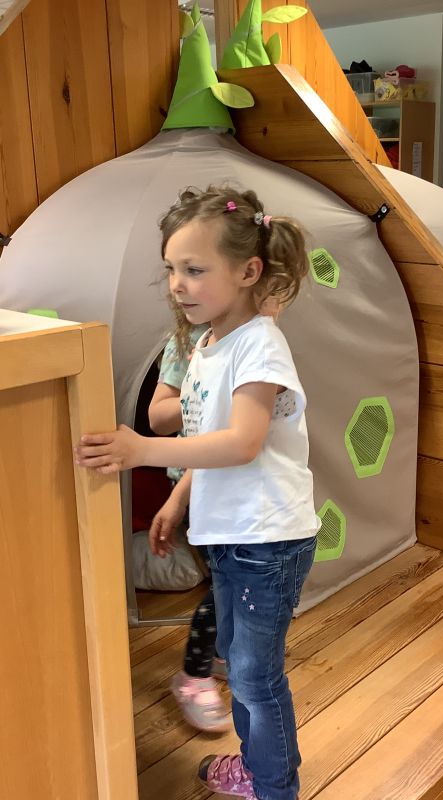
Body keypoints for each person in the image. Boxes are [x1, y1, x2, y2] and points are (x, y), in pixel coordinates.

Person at [75, 185, 319, 800]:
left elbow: (242, 443)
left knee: (255, 677)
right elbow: (210, 440)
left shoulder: (260, 343)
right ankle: (262, 769)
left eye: (194, 269)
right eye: (171, 270)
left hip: (268, 540)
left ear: (248, 272)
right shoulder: (207, 345)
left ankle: (274, 787)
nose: (177, 285)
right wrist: (178, 498)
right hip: (233, 536)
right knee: (237, 660)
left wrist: (142, 450)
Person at [148, 326, 229, 733]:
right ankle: (193, 676)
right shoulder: (187, 342)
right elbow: (157, 417)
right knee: (225, 584)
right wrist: (202, 396)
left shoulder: (255, 338)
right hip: (198, 486)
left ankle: (217, 652)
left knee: (233, 580)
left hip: (241, 485)